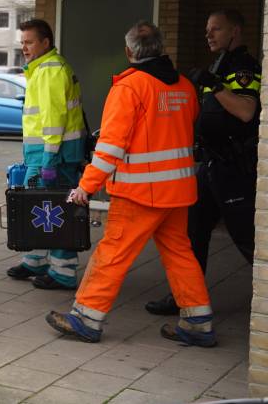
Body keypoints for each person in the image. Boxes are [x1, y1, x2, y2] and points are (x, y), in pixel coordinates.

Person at [46, 21, 216, 347]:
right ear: (161, 48)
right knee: (180, 254)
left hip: (139, 192)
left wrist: (86, 186)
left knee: (113, 253)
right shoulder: (183, 86)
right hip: (178, 191)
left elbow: (110, 146)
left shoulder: (129, 88)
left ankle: (85, 319)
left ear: (128, 52)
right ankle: (198, 322)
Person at [145, 9, 261, 316]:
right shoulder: (219, 63)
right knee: (190, 235)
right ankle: (184, 297)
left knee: (246, 237)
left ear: (234, 31)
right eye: (207, 29)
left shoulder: (245, 67)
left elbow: (246, 111)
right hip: (209, 165)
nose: (208, 35)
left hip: (233, 169)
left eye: (216, 30)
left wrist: (216, 85)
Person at [5, 19, 85, 290]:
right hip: (46, 155)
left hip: (54, 157)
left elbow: (54, 120)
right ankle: (35, 260)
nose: (24, 47)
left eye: (29, 42)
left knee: (56, 211)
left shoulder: (50, 70)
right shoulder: (43, 69)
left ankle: (63, 272)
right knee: (37, 208)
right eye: (22, 42)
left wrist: (49, 159)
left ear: (45, 43)